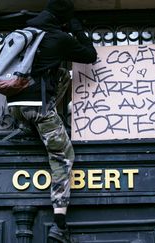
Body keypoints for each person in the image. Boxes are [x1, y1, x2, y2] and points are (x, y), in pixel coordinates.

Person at [7, 0, 97, 242]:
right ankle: (59, 224)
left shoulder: (25, 32)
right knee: (63, 158)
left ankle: (25, 127)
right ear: (63, 19)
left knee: (62, 74)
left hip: (14, 104)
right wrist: (77, 29)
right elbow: (90, 55)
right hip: (39, 108)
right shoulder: (59, 37)